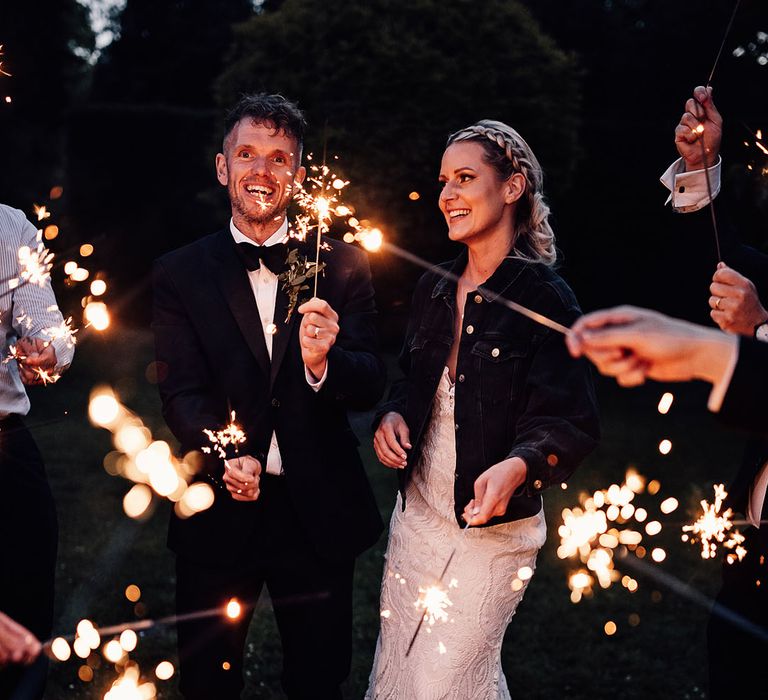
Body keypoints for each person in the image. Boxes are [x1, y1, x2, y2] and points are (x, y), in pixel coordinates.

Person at [152, 93, 386, 700]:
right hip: (218, 508)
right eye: (248, 153)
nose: (263, 169)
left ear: (300, 177)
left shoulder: (343, 263)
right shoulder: (180, 271)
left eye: (280, 158)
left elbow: (368, 380)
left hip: (319, 511)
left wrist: (320, 364)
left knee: (317, 679)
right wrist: (228, 451)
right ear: (223, 166)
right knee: (207, 682)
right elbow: (180, 390)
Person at [366, 120, 600, 698]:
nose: (447, 195)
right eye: (444, 181)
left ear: (513, 187)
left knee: (442, 679)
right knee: (400, 675)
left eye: (465, 178)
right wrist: (392, 415)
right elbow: (409, 382)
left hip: (491, 533)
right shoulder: (433, 288)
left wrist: (519, 465)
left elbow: (569, 422)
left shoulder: (546, 299)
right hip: (416, 522)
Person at [662, 85, 768, 700]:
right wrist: (701, 167)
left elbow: (751, 316)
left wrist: (758, 329)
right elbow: (717, 270)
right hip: (748, 565)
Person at [0, 204, 75, 699]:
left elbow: (48, 323)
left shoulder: (8, 227)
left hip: (4, 454)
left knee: (22, 641)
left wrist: (47, 349)